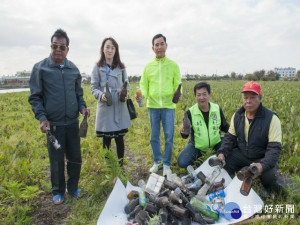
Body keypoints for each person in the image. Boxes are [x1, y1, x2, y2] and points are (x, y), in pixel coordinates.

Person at [28, 29, 90, 205]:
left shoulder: (73, 70)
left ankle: (73, 188)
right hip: (53, 125)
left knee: (75, 157)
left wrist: (83, 107)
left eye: (62, 47)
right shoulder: (41, 68)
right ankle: (58, 192)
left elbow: (79, 94)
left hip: (72, 123)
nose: (58, 50)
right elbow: (35, 97)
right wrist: (42, 117)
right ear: (51, 46)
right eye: (55, 46)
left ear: (67, 49)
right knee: (56, 160)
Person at [217, 81, 284, 197]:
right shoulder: (238, 115)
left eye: (253, 97)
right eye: (245, 97)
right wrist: (222, 153)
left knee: (271, 177)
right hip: (243, 154)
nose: (248, 101)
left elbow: (274, 150)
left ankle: (268, 190)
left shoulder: (272, 119)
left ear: (260, 98)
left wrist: (261, 166)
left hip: (262, 156)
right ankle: (226, 186)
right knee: (222, 164)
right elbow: (229, 138)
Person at [140, 34, 182, 176]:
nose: (159, 47)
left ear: (166, 46)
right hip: (153, 106)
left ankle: (167, 164)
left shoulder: (173, 65)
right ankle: (157, 161)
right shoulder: (148, 67)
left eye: (161, 44)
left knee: (169, 135)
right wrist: (143, 95)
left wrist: (179, 93)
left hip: (169, 106)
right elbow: (143, 85)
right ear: (153, 48)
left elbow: (178, 84)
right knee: (155, 136)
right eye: (156, 45)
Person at [91, 37, 131, 167]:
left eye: (112, 48)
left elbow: (127, 85)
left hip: (119, 105)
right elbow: (93, 87)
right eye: (107, 47)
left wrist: (125, 94)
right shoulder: (97, 67)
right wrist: (100, 95)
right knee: (106, 139)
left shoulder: (121, 67)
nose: (109, 50)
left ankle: (120, 166)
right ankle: (109, 167)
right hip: (105, 106)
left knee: (120, 139)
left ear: (116, 51)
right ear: (103, 49)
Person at [177, 82, 229, 168]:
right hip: (197, 146)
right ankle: (202, 156)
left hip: (216, 143)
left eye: (204, 94)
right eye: (199, 95)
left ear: (209, 95)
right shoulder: (190, 112)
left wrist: (235, 132)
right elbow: (185, 135)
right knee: (182, 162)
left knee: (233, 147)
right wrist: (182, 132)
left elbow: (224, 126)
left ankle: (213, 153)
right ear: (195, 96)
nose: (202, 97)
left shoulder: (216, 108)